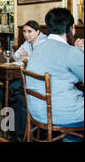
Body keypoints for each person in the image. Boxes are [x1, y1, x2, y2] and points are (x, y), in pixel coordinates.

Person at [26, 8, 84, 142]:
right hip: (63, 114)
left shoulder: (38, 48)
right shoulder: (71, 52)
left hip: (37, 112)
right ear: (72, 28)